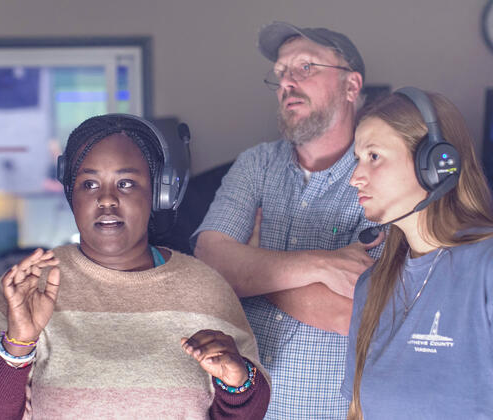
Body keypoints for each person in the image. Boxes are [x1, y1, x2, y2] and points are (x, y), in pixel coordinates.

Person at [0, 114, 270, 420]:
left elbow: (247, 412)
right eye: (89, 184)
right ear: (71, 194)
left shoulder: (205, 288)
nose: (106, 199)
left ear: (159, 193)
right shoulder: (27, 287)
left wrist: (237, 380)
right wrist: (17, 344)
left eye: (126, 183)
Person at [192, 21, 383, 419]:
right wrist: (323, 266)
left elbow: (357, 315)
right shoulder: (256, 163)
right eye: (281, 72)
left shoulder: (383, 173)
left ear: (351, 86)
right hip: (242, 408)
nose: (287, 82)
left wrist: (247, 275)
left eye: (306, 67)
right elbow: (210, 263)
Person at [342, 90, 493, 419]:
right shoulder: (371, 286)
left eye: (374, 156)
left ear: (436, 163)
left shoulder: (486, 267)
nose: (355, 178)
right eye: (357, 159)